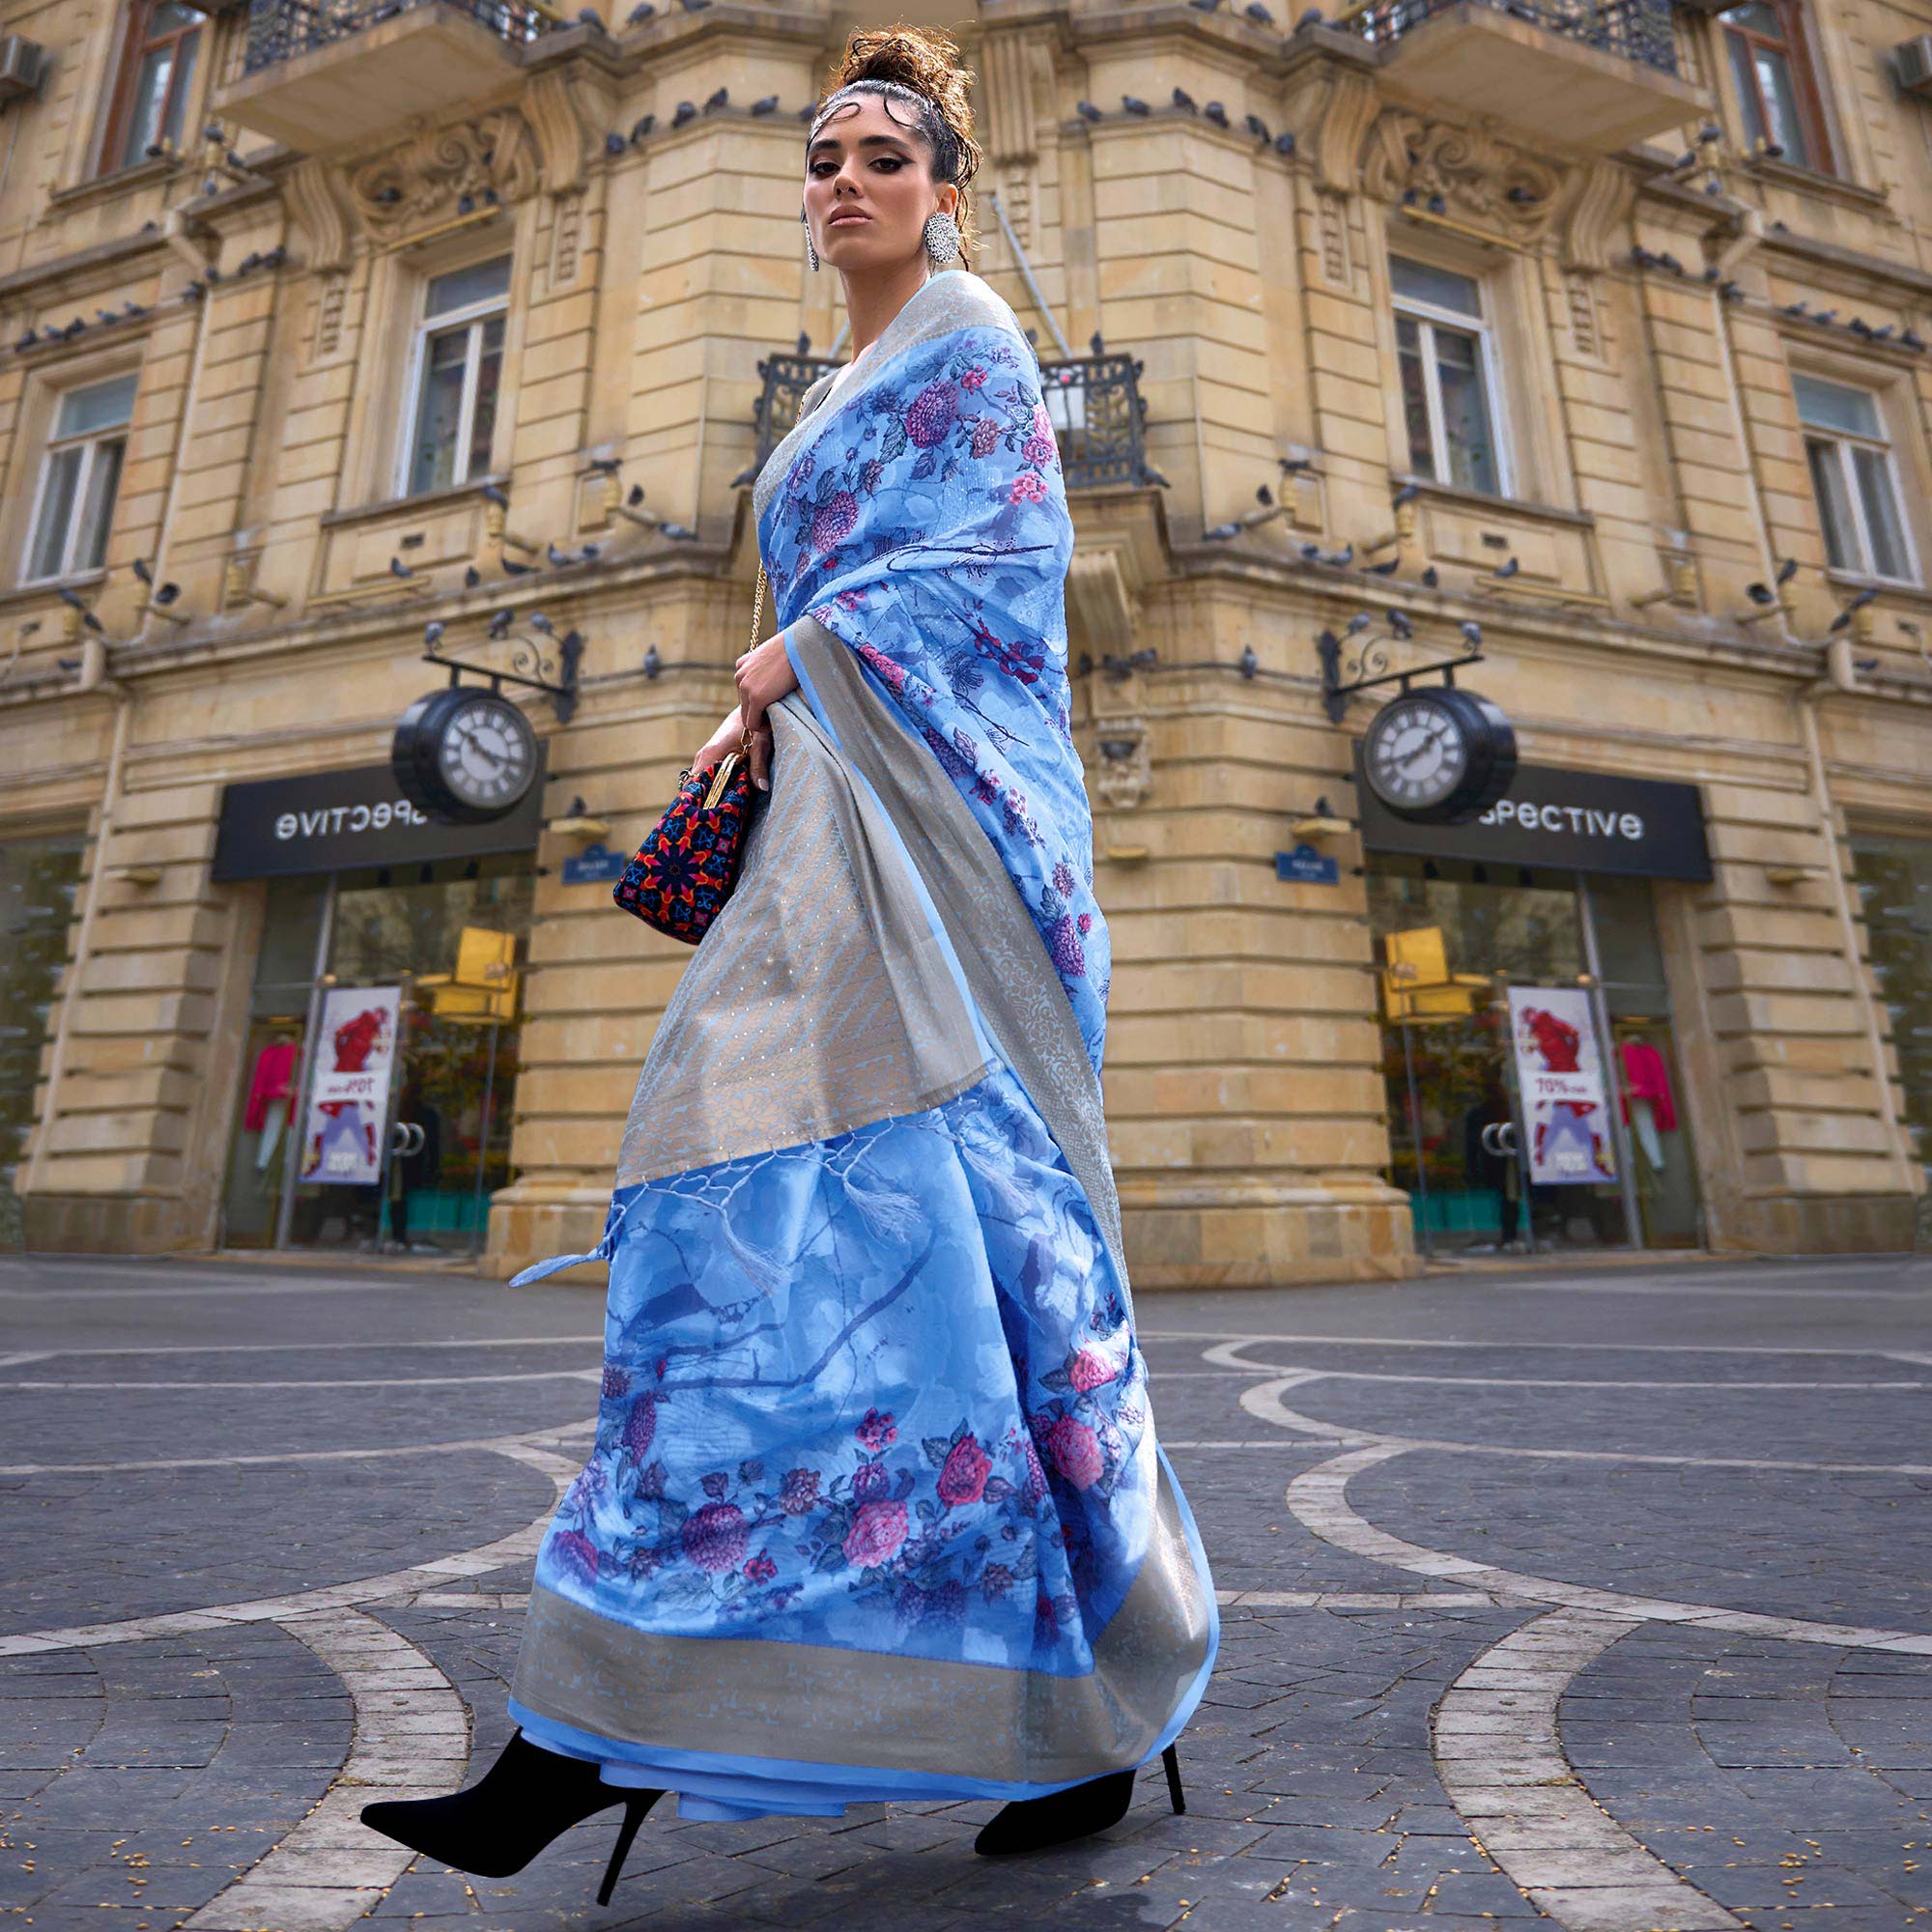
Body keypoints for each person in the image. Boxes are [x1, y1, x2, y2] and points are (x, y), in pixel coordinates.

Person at [361, 24, 1217, 1906]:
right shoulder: (830, 389)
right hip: (830, 820)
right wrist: (766, 701)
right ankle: (592, 1721)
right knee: (759, 1247)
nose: (844, 181)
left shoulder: (974, 340)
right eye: (823, 157)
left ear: (946, 190)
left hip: (948, 842)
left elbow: (1003, 573)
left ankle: (1074, 1709)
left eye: (883, 157)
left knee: (964, 1259)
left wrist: (791, 658)